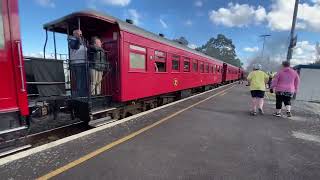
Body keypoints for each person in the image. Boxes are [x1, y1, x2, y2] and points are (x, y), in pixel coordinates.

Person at [69, 29, 88, 97]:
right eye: (78, 34)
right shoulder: (72, 40)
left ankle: (83, 93)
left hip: (82, 63)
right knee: (80, 80)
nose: (80, 35)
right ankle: (81, 95)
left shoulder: (82, 41)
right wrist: (78, 38)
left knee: (83, 80)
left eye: (80, 34)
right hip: (78, 63)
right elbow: (76, 47)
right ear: (75, 34)